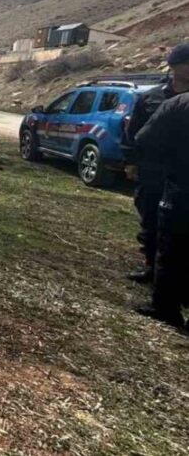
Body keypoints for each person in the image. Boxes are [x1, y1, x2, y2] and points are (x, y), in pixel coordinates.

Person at [121, 42, 189, 282]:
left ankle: (174, 277)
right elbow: (133, 132)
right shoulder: (151, 97)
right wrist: (131, 162)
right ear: (174, 66)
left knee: (179, 228)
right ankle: (152, 267)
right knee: (150, 219)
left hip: (183, 175)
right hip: (153, 171)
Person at [133, 85, 189, 331]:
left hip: (181, 185)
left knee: (172, 246)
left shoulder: (178, 104)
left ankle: (166, 308)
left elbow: (144, 139)